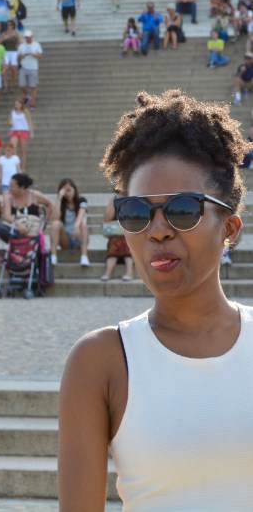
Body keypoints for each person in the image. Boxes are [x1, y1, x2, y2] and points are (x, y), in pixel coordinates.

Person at [59, 90, 253, 510]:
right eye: (136, 212)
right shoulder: (100, 362)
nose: (157, 230)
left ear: (230, 228)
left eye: (183, 210)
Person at [50, 178, 90, 266]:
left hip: (79, 236)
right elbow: (55, 218)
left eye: (69, 190)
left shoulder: (82, 200)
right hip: (66, 239)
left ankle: (84, 256)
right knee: (55, 224)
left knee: (82, 224)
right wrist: (59, 198)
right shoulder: (61, 204)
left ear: (74, 189)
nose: (67, 193)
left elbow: (81, 214)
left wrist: (76, 226)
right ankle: (53, 256)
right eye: (64, 191)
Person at [100, 191, 135, 282]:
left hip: (130, 235)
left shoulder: (134, 198)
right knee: (115, 240)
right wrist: (115, 202)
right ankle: (109, 272)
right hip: (116, 235)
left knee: (127, 240)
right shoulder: (114, 199)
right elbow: (107, 219)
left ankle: (129, 272)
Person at [8, 98, 34, 171]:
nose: (17, 105)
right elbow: (10, 121)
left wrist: (31, 132)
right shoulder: (12, 112)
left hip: (23, 131)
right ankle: (16, 165)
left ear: (21, 104)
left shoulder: (25, 111)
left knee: (22, 150)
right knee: (13, 148)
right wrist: (10, 123)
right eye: (16, 104)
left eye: (19, 104)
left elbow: (29, 122)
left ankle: (23, 167)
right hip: (14, 131)